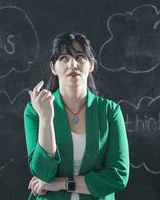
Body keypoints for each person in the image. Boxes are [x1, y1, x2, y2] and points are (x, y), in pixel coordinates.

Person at [24, 32, 129, 200]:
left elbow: (118, 177)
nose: (73, 64)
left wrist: (62, 184)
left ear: (91, 65)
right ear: (53, 67)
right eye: (64, 58)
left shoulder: (110, 111)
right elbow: (43, 172)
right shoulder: (35, 110)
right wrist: (46, 119)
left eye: (80, 57)